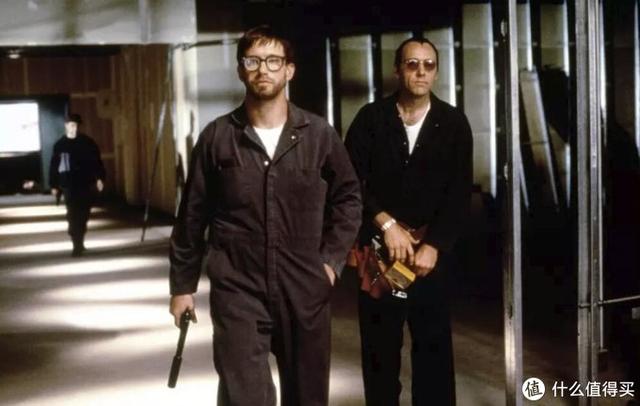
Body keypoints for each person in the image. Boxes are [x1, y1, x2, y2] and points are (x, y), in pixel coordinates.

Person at [169, 25, 362, 406]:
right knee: (244, 396)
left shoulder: (319, 135)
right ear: (241, 70)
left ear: (289, 70)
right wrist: (182, 286)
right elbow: (191, 215)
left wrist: (330, 262)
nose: (263, 70)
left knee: (308, 396)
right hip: (238, 288)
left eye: (274, 61)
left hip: (304, 286)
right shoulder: (217, 137)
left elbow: (349, 198)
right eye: (253, 61)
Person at [344, 37, 473, 406]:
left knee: (433, 348)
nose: (420, 72)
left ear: (436, 72)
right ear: (397, 69)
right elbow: (349, 181)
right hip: (379, 253)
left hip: (428, 256)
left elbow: (458, 193)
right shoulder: (371, 118)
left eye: (428, 65)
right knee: (379, 349)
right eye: (412, 64)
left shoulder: (453, 123)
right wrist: (386, 224)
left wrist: (435, 246)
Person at [49, 113, 105, 257]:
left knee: (84, 213)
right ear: (66, 126)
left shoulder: (87, 143)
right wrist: (54, 185)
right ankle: (76, 244)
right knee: (73, 214)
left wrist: (100, 178)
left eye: (76, 125)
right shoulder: (60, 145)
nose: (74, 128)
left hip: (85, 182)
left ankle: (79, 240)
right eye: (71, 125)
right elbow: (54, 166)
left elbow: (96, 161)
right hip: (69, 184)